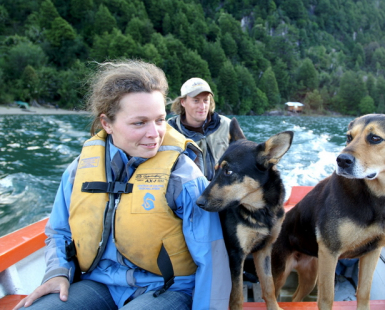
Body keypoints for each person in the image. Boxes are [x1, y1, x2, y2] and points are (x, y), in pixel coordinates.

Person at [14, 60, 231, 310]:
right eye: (139, 123)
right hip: (98, 283)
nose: (154, 134)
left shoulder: (183, 176)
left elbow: (212, 257)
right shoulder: (78, 171)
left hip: (168, 288)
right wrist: (57, 272)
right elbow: (59, 232)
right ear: (107, 123)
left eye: (160, 120)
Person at [168, 78, 232, 181]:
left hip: (221, 190)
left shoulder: (227, 126)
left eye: (206, 100)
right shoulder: (169, 130)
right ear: (183, 102)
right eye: (196, 100)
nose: (202, 106)